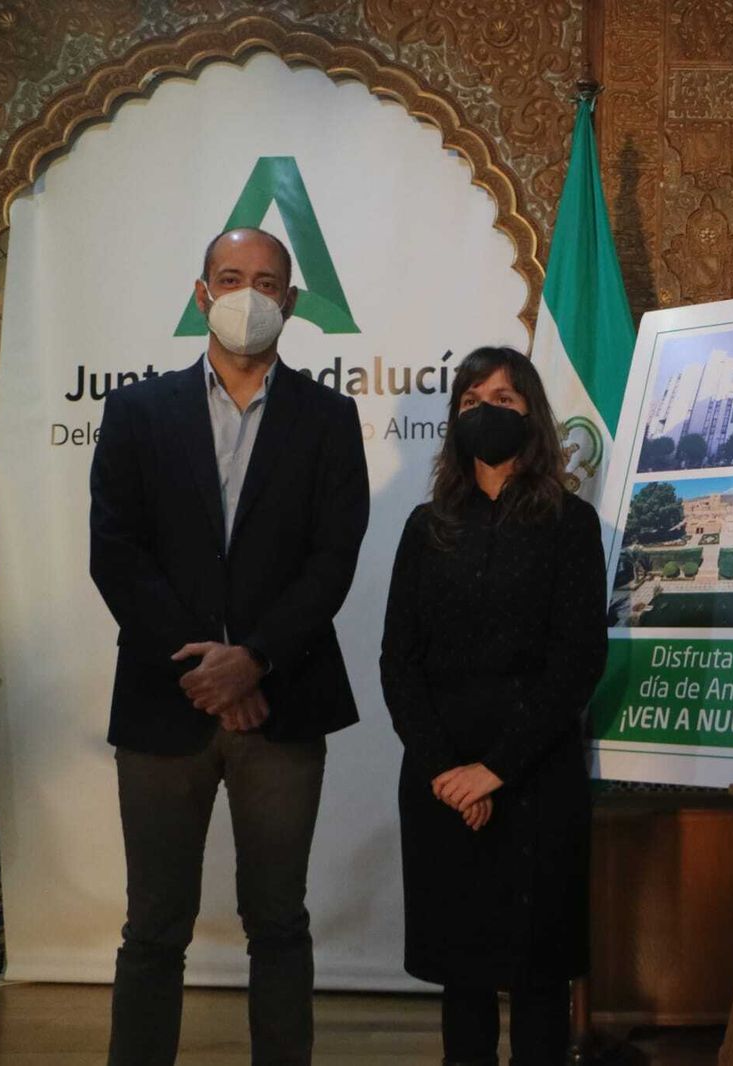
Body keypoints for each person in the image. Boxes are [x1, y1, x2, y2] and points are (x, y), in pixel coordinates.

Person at [90, 227, 371, 1064]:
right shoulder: (136, 412)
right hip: (162, 704)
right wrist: (208, 667)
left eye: (267, 280)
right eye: (230, 276)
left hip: (282, 705)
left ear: (289, 299)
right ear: (203, 291)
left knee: (279, 923)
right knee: (153, 929)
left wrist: (254, 658)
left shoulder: (330, 417)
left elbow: (333, 557)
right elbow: (116, 552)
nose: (248, 293)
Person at [380, 346, 609, 1066]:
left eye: (505, 400)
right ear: (454, 419)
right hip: (440, 779)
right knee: (463, 976)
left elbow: (578, 663)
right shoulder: (425, 527)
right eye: (472, 399)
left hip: (536, 779)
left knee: (539, 976)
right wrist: (448, 771)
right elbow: (399, 661)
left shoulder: (572, 526)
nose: (487, 412)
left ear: (532, 417)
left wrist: (494, 772)